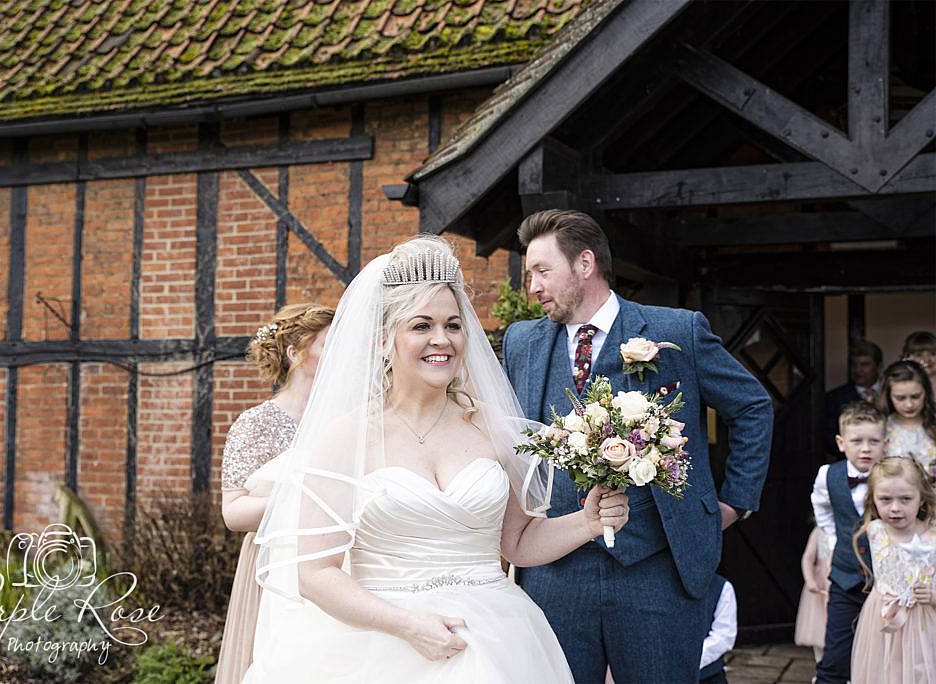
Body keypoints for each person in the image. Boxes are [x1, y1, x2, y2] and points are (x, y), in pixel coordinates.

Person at [243, 236, 630, 683]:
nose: (441, 340)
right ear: (386, 339)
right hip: (380, 645)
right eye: (422, 326)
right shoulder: (346, 437)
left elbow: (518, 543)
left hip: (496, 638)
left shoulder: (491, 427)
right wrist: (408, 625)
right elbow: (314, 574)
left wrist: (584, 523)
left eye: (453, 325)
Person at [502, 210, 773, 682]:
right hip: (554, 573)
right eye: (530, 275)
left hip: (657, 567)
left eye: (542, 271)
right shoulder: (521, 342)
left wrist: (733, 502)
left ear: (585, 263)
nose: (533, 287)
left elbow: (751, 406)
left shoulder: (676, 331)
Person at [215, 303, 334, 684]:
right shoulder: (256, 423)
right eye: (328, 344)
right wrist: (308, 500)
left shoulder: (348, 419)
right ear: (295, 353)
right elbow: (233, 512)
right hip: (276, 562)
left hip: (337, 560)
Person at [811, 401, 885, 684]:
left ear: (885, 443)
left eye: (874, 441)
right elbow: (822, 508)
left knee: (882, 651)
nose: (865, 448)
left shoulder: (894, 475)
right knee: (836, 654)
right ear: (841, 443)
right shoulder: (827, 475)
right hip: (845, 578)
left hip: (884, 583)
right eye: (857, 441)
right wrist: (833, 539)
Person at [849, 456, 936, 684]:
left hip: (925, 624)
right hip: (881, 620)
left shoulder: (933, 536)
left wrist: (933, 596)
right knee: (885, 673)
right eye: (885, 499)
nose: (895, 508)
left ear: (921, 499)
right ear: (873, 500)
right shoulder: (874, 531)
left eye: (906, 499)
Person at [605, 573, 737, 684]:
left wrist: (684, 659)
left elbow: (724, 637)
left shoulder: (721, 587)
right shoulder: (657, 584)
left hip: (708, 676)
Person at [878, 359, 936, 479]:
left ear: (926, 392)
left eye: (915, 396)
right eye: (900, 398)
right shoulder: (880, 427)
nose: (909, 404)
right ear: (888, 396)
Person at [825, 340, 883, 455]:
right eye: (854, 365)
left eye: (864, 365)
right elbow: (829, 438)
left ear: (878, 366)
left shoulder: (891, 393)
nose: (858, 370)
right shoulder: (834, 398)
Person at [794, 524, 834, 662]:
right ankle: (820, 663)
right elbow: (808, 558)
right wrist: (810, 580)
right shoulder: (819, 531)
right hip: (821, 586)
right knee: (818, 626)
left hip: (841, 583)